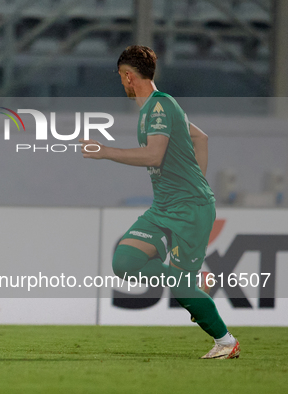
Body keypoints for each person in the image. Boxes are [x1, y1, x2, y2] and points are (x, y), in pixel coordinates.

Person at [80, 45, 240, 359]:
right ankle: (197, 281)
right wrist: (196, 182)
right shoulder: (158, 108)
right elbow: (201, 138)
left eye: (120, 78)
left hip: (189, 209)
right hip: (166, 206)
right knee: (125, 262)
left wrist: (105, 151)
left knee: (182, 289)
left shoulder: (159, 107)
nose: (121, 84)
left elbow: (154, 155)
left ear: (128, 77)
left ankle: (225, 342)